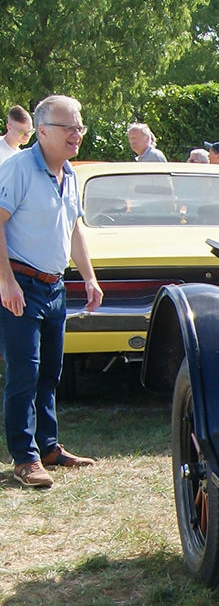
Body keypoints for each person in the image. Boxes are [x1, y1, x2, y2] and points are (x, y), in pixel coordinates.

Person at [0, 95, 103, 488]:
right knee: (24, 372)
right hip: (21, 285)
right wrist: (6, 282)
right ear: (41, 131)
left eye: (80, 126)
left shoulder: (71, 174)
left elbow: (74, 227)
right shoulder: (19, 169)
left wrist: (89, 278)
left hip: (54, 287)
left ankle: (48, 447)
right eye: (69, 127)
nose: (77, 134)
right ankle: (25, 458)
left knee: (50, 372)